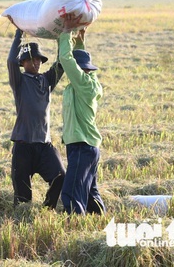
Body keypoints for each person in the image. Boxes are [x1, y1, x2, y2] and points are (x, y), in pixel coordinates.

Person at [7, 26, 66, 208]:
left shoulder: (46, 81)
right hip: (23, 146)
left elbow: (62, 62)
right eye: (31, 60)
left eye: (39, 59)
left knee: (61, 177)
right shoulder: (19, 81)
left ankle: (47, 208)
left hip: (44, 146)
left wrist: (63, 37)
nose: (36, 63)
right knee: (23, 198)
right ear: (23, 63)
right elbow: (10, 61)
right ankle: (23, 217)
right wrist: (18, 35)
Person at [58, 13, 105, 215]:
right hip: (86, 147)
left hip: (81, 146)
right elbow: (77, 60)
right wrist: (80, 40)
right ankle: (99, 219)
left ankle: (75, 225)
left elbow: (66, 59)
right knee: (89, 193)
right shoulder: (90, 82)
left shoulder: (84, 84)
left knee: (71, 193)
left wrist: (67, 32)